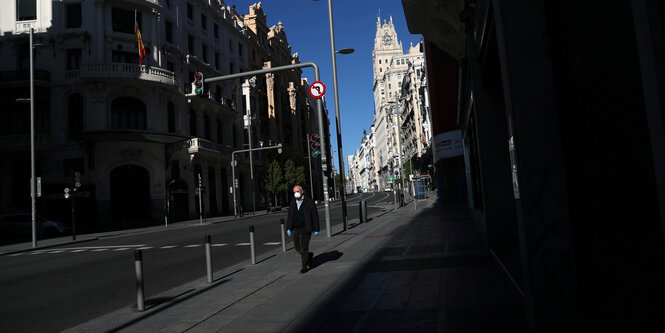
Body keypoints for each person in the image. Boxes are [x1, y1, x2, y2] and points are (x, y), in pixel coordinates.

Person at [286, 185, 320, 274]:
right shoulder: (293, 202)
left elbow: (314, 215)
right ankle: (309, 255)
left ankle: (304, 266)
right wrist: (288, 228)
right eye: (294, 192)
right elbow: (290, 216)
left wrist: (316, 228)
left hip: (306, 227)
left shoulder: (309, 201)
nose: (295, 194)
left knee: (304, 247)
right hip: (295, 228)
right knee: (297, 247)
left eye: (297, 191)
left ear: (302, 192)